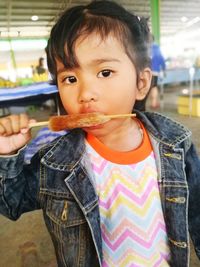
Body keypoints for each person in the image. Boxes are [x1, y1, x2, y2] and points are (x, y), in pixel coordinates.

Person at [0, 1, 200, 266]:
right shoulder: (54, 163)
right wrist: (8, 155)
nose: (85, 94)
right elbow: (11, 204)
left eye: (105, 72)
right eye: (69, 79)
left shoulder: (176, 143)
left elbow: (196, 211)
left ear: (141, 83)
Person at [149, 37, 166, 109]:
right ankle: (153, 103)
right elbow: (161, 59)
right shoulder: (156, 48)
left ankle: (152, 102)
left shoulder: (145, 47)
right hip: (155, 71)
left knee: (149, 87)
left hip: (145, 71)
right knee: (154, 87)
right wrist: (164, 69)